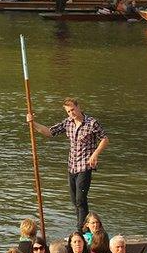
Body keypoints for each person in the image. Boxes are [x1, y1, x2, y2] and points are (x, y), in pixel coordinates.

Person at [26, 98, 109, 230]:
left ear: (78, 107)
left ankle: (80, 230)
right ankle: (86, 227)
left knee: (80, 199)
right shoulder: (68, 123)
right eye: (68, 112)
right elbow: (49, 132)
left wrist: (95, 154)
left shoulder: (92, 123)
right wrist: (32, 123)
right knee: (75, 201)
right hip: (72, 166)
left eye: (73, 110)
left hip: (85, 166)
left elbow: (105, 138)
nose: (71, 113)